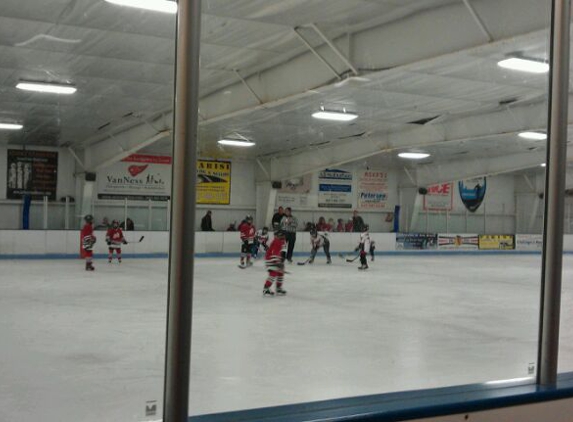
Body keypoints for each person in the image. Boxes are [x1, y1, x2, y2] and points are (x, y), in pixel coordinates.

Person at [263, 229, 287, 296]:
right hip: (271, 259)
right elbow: (274, 252)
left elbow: (282, 252)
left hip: (275, 259)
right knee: (273, 273)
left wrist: (281, 261)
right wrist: (277, 261)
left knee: (280, 273)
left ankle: (278, 288)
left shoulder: (282, 241)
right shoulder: (277, 241)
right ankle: (266, 288)